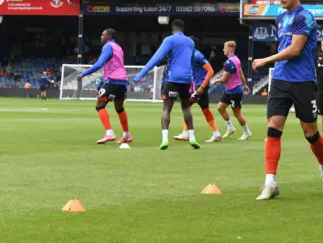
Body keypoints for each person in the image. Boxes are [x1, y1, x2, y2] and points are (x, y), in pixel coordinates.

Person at [251, 0, 323, 200]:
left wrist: (266, 60)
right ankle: (270, 183)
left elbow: (295, 50)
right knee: (273, 126)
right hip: (280, 80)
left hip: (303, 81)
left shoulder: (305, 17)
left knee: (310, 132)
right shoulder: (279, 17)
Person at [134, 19, 200, 150]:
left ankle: (164, 140)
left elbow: (157, 58)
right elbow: (192, 61)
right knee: (186, 108)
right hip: (186, 78)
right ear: (183, 29)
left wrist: (140, 75)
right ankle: (192, 137)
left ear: (173, 29)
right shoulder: (190, 42)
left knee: (166, 109)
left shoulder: (169, 40)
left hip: (173, 78)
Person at [76, 29, 132, 144]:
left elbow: (99, 64)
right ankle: (126, 135)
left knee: (100, 105)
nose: (101, 37)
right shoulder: (118, 47)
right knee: (119, 108)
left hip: (113, 81)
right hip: (122, 81)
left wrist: (83, 74)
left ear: (109, 36)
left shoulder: (108, 46)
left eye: (103, 35)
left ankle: (109, 133)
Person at [173, 36, 220, 143]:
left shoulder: (196, 55)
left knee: (186, 106)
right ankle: (216, 134)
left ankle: (186, 133)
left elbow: (211, 71)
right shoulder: (189, 55)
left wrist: (202, 87)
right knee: (205, 109)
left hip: (200, 86)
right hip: (197, 85)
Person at [213, 41, 252, 141]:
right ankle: (230, 128)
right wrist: (245, 85)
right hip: (229, 90)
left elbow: (224, 79)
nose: (223, 49)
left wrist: (214, 80)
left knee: (237, 113)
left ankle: (247, 132)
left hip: (235, 91)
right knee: (221, 107)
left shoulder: (229, 62)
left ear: (230, 49)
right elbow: (241, 73)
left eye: (225, 47)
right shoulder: (236, 59)